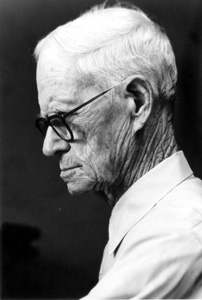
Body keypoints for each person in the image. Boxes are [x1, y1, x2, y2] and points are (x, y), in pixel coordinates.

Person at [34, 3, 202, 299]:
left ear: (137, 102)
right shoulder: (157, 222)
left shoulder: (179, 236)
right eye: (46, 123)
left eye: (63, 118)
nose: (50, 146)